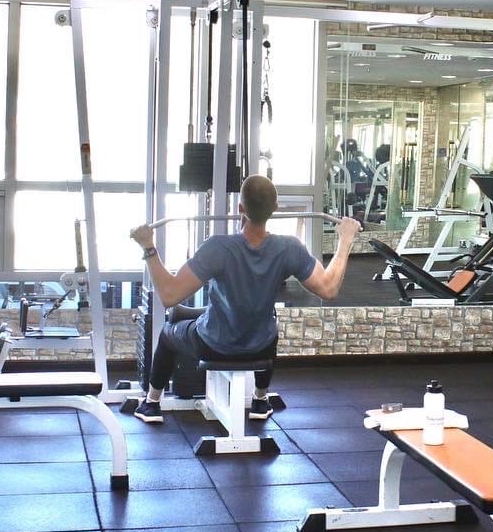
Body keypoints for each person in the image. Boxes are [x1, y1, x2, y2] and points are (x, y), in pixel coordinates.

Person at [128, 174, 361, 424]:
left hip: (213, 344)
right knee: (268, 323)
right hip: (260, 347)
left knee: (167, 333)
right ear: (275, 208)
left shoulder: (218, 248)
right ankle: (260, 399)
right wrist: (345, 240)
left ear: (240, 209)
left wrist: (148, 247)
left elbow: (169, 295)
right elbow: (329, 288)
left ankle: (151, 404)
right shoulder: (289, 248)